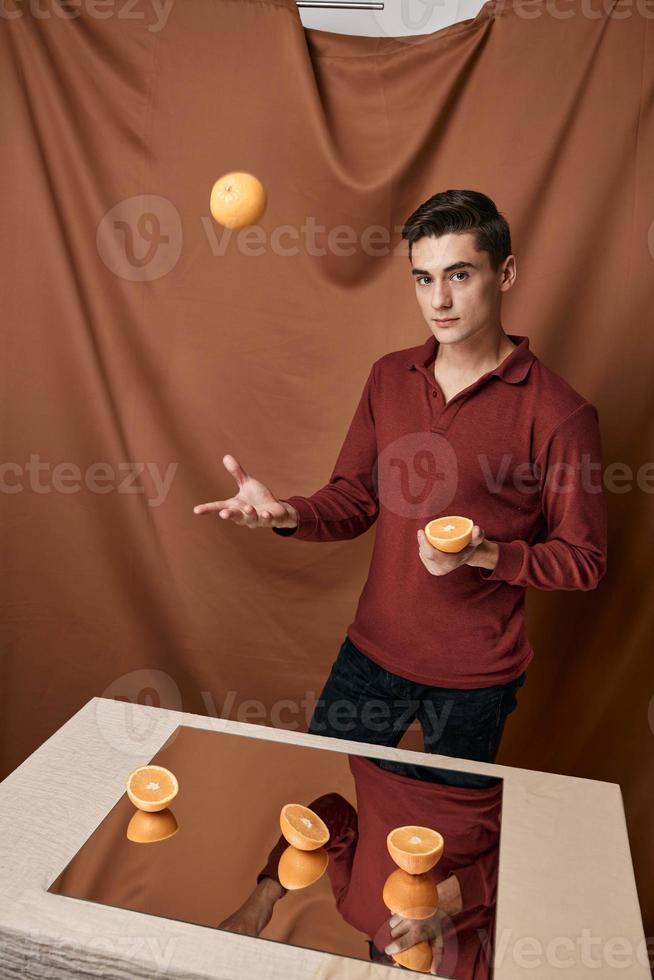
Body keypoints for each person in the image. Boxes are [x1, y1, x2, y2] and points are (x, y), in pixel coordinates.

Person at [193, 189, 607, 762]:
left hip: (475, 682)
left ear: (504, 272)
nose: (439, 299)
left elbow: (583, 561)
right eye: (423, 278)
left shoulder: (560, 413)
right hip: (371, 658)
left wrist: (488, 555)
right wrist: (287, 513)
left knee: (452, 844)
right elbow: (355, 500)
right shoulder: (389, 378)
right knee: (318, 814)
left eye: (459, 275)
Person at [217, 754, 502, 978]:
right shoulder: (471, 969)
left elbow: (333, 814)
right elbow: (527, 868)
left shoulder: (353, 909)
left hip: (379, 764)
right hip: (463, 791)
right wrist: (443, 903)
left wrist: (263, 899)